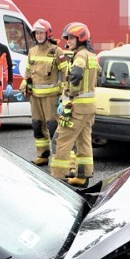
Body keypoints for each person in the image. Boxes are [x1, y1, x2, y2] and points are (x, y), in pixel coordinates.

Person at [50, 22, 98, 186]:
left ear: (81, 38)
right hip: (89, 107)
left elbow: (76, 75)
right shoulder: (92, 55)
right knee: (83, 140)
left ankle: (58, 178)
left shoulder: (80, 56)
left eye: (71, 38)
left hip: (77, 107)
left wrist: (69, 95)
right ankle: (83, 176)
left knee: (60, 139)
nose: (68, 41)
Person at [21, 19, 61, 165]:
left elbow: (65, 73)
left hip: (51, 97)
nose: (38, 36)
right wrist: (24, 84)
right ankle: (42, 155)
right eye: (36, 33)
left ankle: (58, 157)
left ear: (48, 34)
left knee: (53, 127)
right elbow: (28, 71)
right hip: (35, 97)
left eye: (41, 33)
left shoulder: (57, 51)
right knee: (37, 125)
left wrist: (63, 95)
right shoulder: (32, 51)